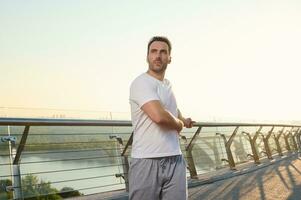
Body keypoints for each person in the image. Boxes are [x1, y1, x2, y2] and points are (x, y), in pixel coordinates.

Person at [129, 36, 195, 200]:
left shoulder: (166, 84)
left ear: (169, 58)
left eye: (163, 52)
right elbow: (159, 116)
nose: (158, 56)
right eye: (154, 51)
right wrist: (179, 125)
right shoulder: (141, 83)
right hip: (147, 160)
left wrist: (184, 119)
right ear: (147, 57)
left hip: (175, 159)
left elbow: (170, 108)